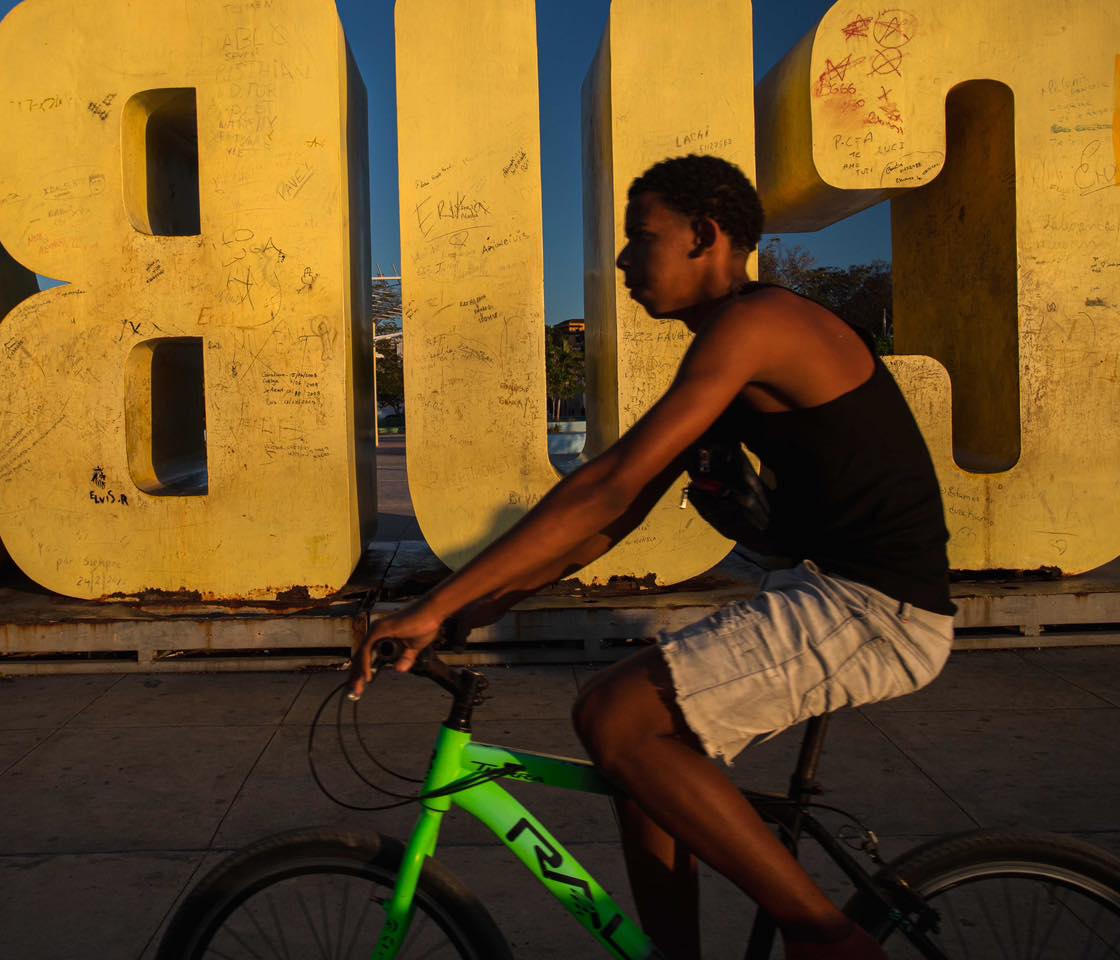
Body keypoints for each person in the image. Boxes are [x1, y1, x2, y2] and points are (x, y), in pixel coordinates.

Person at [348, 154, 955, 960]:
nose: (623, 261)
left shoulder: (759, 324)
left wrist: (437, 603)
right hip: (833, 594)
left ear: (706, 236)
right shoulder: (728, 344)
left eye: (642, 238)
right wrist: (476, 604)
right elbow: (619, 517)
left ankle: (826, 939)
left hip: (877, 609)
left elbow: (608, 484)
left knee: (613, 716)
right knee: (644, 771)